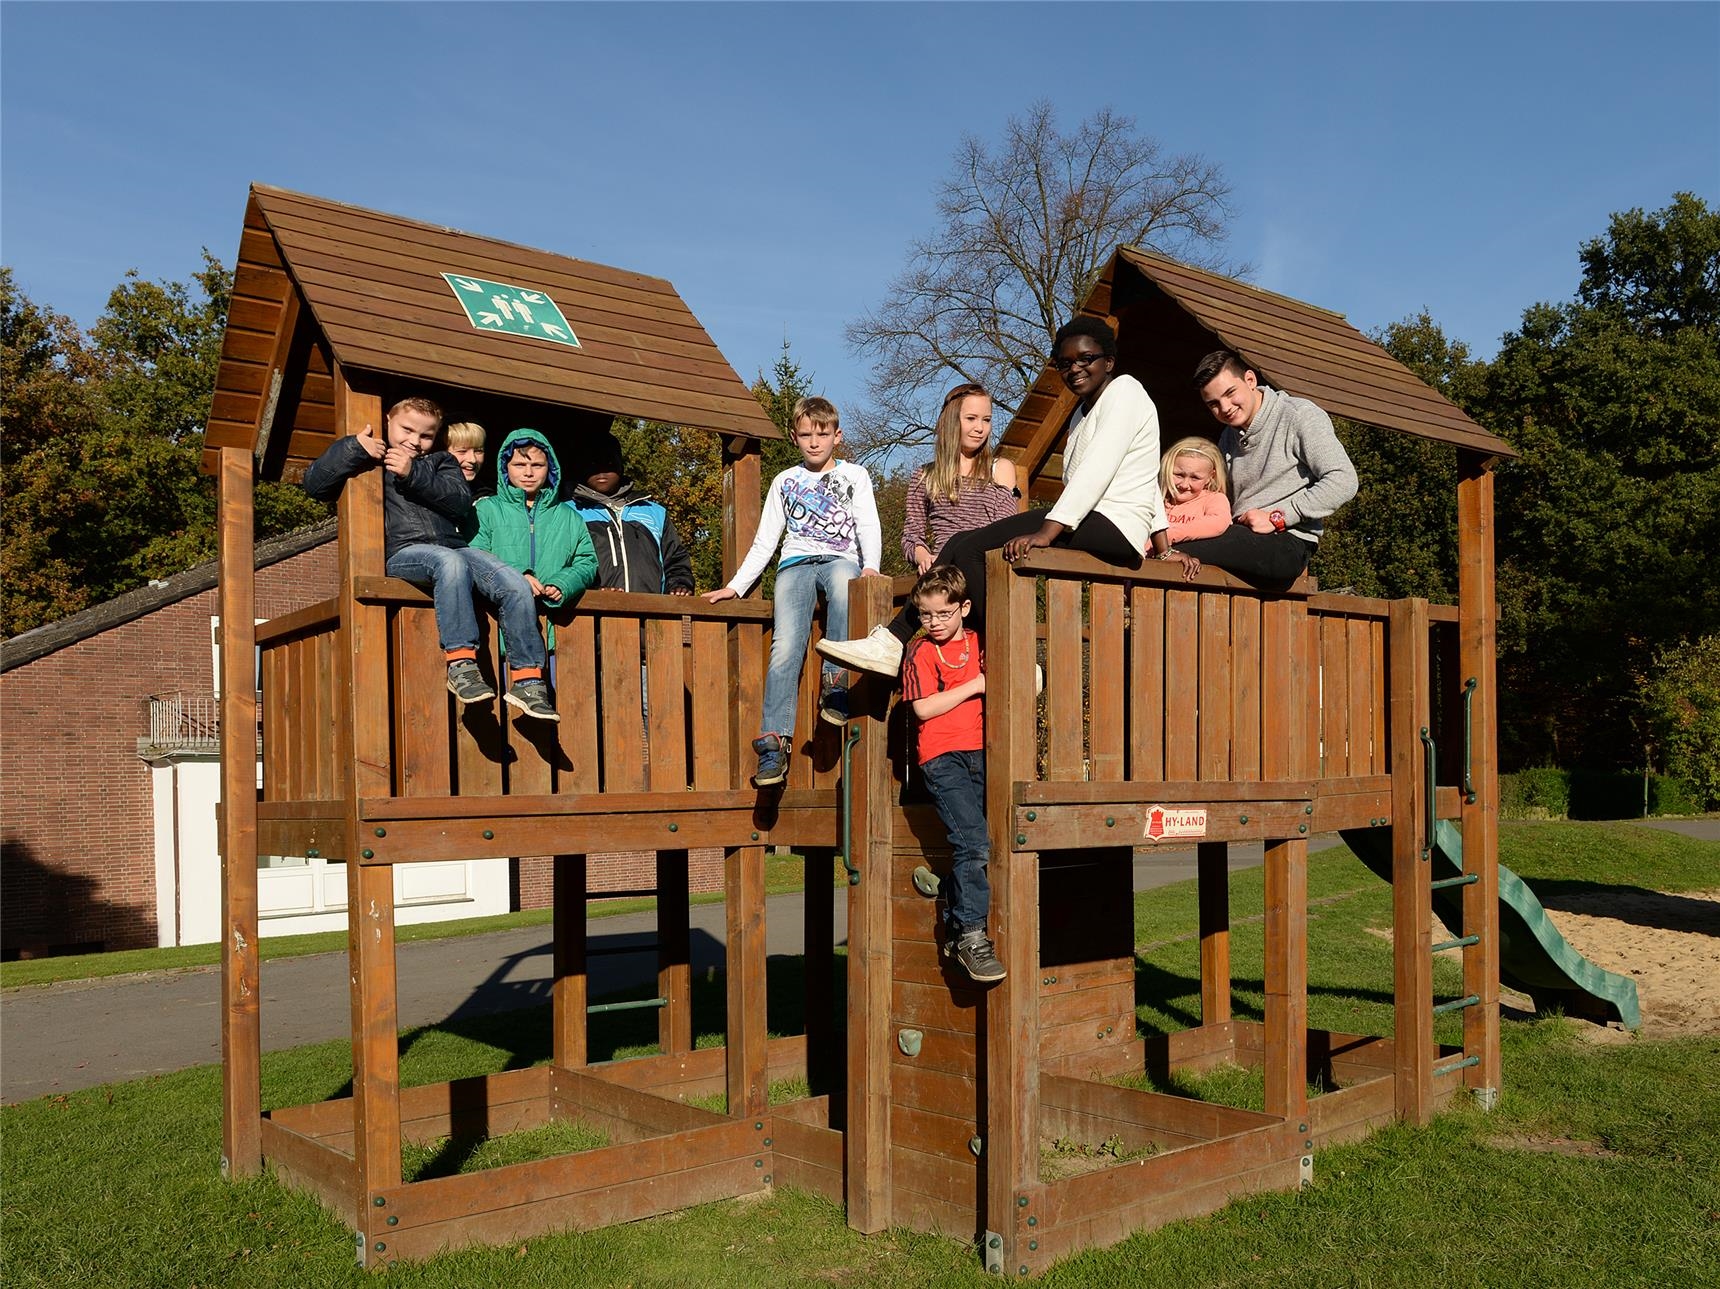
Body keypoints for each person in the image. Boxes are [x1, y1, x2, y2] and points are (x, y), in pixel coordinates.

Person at [819, 316, 1169, 678]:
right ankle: (893, 641)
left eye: (1085, 359)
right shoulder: (1080, 414)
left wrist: (1046, 533)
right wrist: (1165, 546)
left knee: (970, 548)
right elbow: (1145, 477)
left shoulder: (1126, 391)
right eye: (1065, 363)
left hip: (1112, 523)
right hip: (1096, 521)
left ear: (1108, 361)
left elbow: (1097, 472)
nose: (1074, 369)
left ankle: (1010, 656)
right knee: (962, 544)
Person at [301, 396, 553, 715]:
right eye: (406, 430)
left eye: (425, 436)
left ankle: (528, 681)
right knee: (449, 563)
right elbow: (314, 485)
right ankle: (461, 665)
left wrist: (412, 474)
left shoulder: (441, 463)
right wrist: (353, 447)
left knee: (513, 583)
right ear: (387, 421)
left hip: (453, 547)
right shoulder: (369, 461)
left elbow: (459, 502)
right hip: (405, 552)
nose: (414, 441)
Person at [702, 396, 883, 786]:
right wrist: (735, 586)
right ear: (794, 437)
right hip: (796, 563)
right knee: (785, 646)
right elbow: (765, 541)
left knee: (842, 588)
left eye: (822, 434)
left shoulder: (856, 475)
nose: (814, 442)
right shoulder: (786, 481)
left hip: (840, 558)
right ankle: (773, 743)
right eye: (805, 435)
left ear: (838, 436)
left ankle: (834, 687)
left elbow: (868, 524)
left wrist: (871, 566)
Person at [1174, 349, 1357, 589]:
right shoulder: (1227, 438)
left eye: (1230, 393)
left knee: (1173, 552)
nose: (1225, 407)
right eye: (1214, 404)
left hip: (1287, 540)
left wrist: (1278, 518)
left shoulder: (1298, 415)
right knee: (1173, 548)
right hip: (1239, 536)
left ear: (1250, 380)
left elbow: (1343, 479)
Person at [901, 565, 1005, 984]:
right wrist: (975, 686)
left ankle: (956, 919)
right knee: (973, 844)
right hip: (941, 757)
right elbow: (923, 708)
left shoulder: (981, 643)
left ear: (963, 608)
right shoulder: (922, 652)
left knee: (982, 844)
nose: (934, 623)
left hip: (982, 753)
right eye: (926, 615)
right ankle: (972, 937)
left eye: (943, 614)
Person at [471, 428, 599, 721]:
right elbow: (475, 557)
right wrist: (516, 578)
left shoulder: (569, 517)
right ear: (505, 468)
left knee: (556, 718)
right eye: (519, 464)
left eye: (537, 465)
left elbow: (587, 562)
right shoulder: (486, 510)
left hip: (555, 636)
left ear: (550, 468)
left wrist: (563, 583)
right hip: (496, 637)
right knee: (498, 720)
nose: (528, 472)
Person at [902, 381, 1019, 575]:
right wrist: (923, 556)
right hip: (944, 571)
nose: (980, 428)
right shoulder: (925, 476)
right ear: (952, 420)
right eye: (971, 418)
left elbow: (1005, 530)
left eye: (987, 420)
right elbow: (912, 534)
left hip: (987, 568)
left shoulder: (1000, 469)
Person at [568, 430, 695, 595]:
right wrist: (592, 592)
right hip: (590, 615)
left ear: (621, 465)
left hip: (652, 613)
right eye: (593, 464)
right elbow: (560, 565)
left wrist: (679, 585)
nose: (601, 471)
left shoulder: (654, 513)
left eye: (609, 463)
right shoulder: (568, 512)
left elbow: (676, 560)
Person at [1155, 436, 1232, 582]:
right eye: (1178, 475)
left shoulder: (1214, 499)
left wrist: (1162, 539)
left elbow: (1217, 523)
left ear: (1211, 477)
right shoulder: (1157, 501)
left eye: (1195, 478)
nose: (1184, 484)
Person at [445, 421, 489, 492]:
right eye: (462, 451)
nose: (473, 459)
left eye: (478, 451)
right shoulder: (426, 495)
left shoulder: (486, 496)